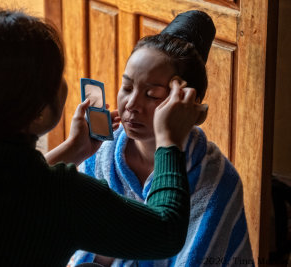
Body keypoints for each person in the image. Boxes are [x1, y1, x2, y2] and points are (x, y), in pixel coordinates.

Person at [0, 7, 205, 267]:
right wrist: (169, 141)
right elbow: (165, 232)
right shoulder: (64, 197)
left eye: (152, 94)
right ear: (40, 110)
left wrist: (71, 150)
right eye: (59, 77)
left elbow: (1, 188)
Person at [69, 10, 254, 267]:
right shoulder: (101, 154)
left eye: (153, 95)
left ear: (187, 103)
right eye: (127, 87)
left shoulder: (216, 180)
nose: (132, 105)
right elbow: (77, 244)